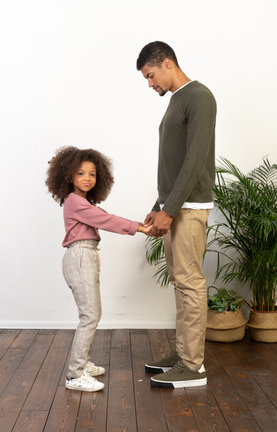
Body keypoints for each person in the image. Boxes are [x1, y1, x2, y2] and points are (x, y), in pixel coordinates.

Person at [136, 41, 217, 388]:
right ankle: (183, 353)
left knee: (190, 283)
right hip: (173, 207)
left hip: (189, 208)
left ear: (167, 63)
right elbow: (173, 164)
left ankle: (193, 367)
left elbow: (195, 159)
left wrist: (170, 209)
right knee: (180, 283)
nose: (150, 84)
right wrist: (159, 207)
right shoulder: (176, 101)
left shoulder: (199, 97)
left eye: (151, 75)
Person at [46, 146, 151, 392]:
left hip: (87, 255)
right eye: (81, 173)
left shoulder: (83, 202)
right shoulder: (74, 202)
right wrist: (139, 227)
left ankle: (82, 364)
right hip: (80, 256)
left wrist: (136, 225)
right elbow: (107, 221)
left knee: (93, 313)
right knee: (90, 316)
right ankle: (75, 375)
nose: (87, 178)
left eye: (92, 174)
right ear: (68, 176)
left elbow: (104, 215)